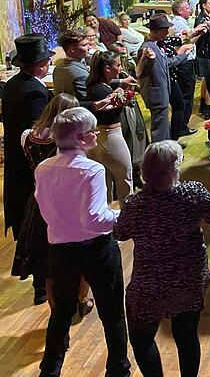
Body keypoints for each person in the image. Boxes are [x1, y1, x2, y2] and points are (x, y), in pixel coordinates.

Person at [112, 140, 210, 377]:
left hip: (148, 286)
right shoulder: (192, 193)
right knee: (186, 337)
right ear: (175, 168)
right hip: (188, 282)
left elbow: (120, 233)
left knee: (141, 340)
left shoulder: (135, 204)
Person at [35, 107, 130, 377]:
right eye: (92, 131)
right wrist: (124, 214)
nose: (96, 134)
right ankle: (118, 369)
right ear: (81, 138)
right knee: (111, 313)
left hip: (60, 249)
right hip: (95, 249)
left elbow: (45, 209)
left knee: (61, 313)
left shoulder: (44, 168)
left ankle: (50, 369)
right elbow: (95, 219)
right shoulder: (91, 170)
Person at [11, 93, 84, 309]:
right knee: (64, 246)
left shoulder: (28, 135)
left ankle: (40, 290)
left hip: (38, 198)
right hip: (63, 199)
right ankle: (70, 293)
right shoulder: (65, 141)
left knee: (37, 244)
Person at [3, 34, 55, 285]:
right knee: (37, 223)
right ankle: (40, 284)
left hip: (14, 164)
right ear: (40, 65)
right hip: (30, 168)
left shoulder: (12, 84)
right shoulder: (36, 91)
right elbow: (38, 134)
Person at [85, 51, 135, 205]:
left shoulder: (94, 86)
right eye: (118, 65)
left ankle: (106, 221)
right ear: (107, 68)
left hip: (97, 140)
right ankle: (130, 219)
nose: (120, 69)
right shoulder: (103, 91)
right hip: (111, 137)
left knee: (104, 182)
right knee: (125, 178)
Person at [137, 14, 194, 142]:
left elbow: (166, 63)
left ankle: (167, 150)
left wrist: (183, 54)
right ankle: (160, 157)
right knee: (159, 131)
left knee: (163, 127)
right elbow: (139, 71)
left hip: (162, 92)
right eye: (165, 30)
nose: (167, 32)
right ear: (157, 31)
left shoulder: (156, 45)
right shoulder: (147, 49)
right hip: (156, 94)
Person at [170, 0, 208, 138]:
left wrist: (199, 33)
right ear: (180, 10)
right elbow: (183, 43)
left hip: (185, 62)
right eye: (187, 8)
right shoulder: (179, 23)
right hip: (184, 63)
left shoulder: (180, 22)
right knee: (186, 94)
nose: (190, 10)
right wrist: (197, 32)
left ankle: (182, 125)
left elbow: (189, 42)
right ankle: (182, 126)